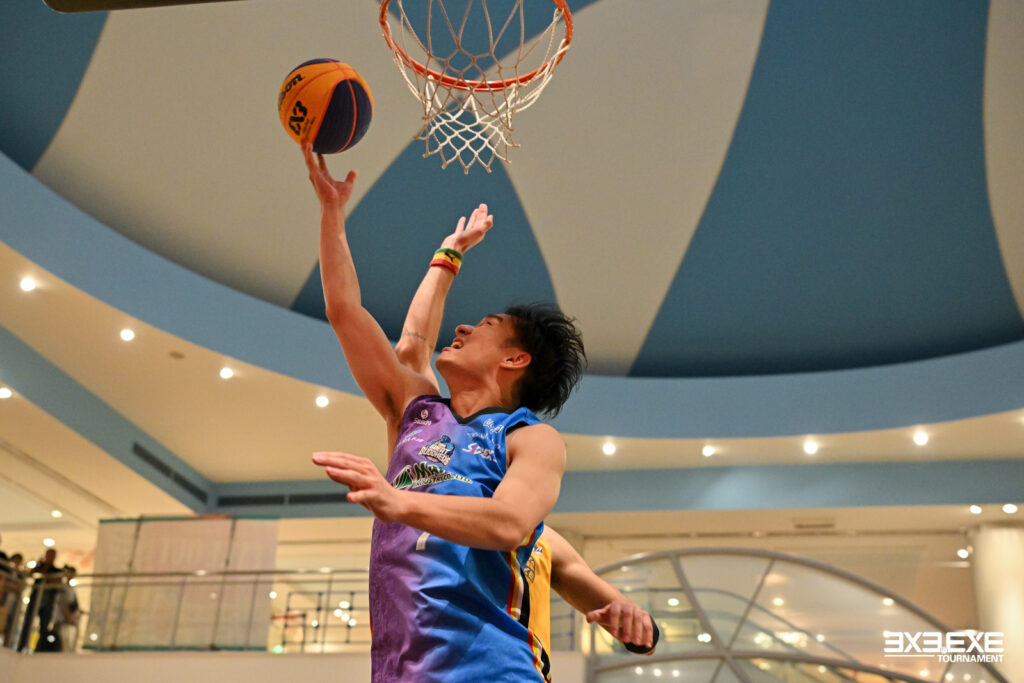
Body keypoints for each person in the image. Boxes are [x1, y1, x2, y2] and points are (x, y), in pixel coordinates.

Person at [302, 144, 586, 682]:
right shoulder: (415, 410)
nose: (462, 327)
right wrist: (332, 215)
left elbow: (510, 523)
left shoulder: (530, 438)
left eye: (485, 326)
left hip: (492, 671)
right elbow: (347, 311)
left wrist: (397, 500)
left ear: (514, 359)